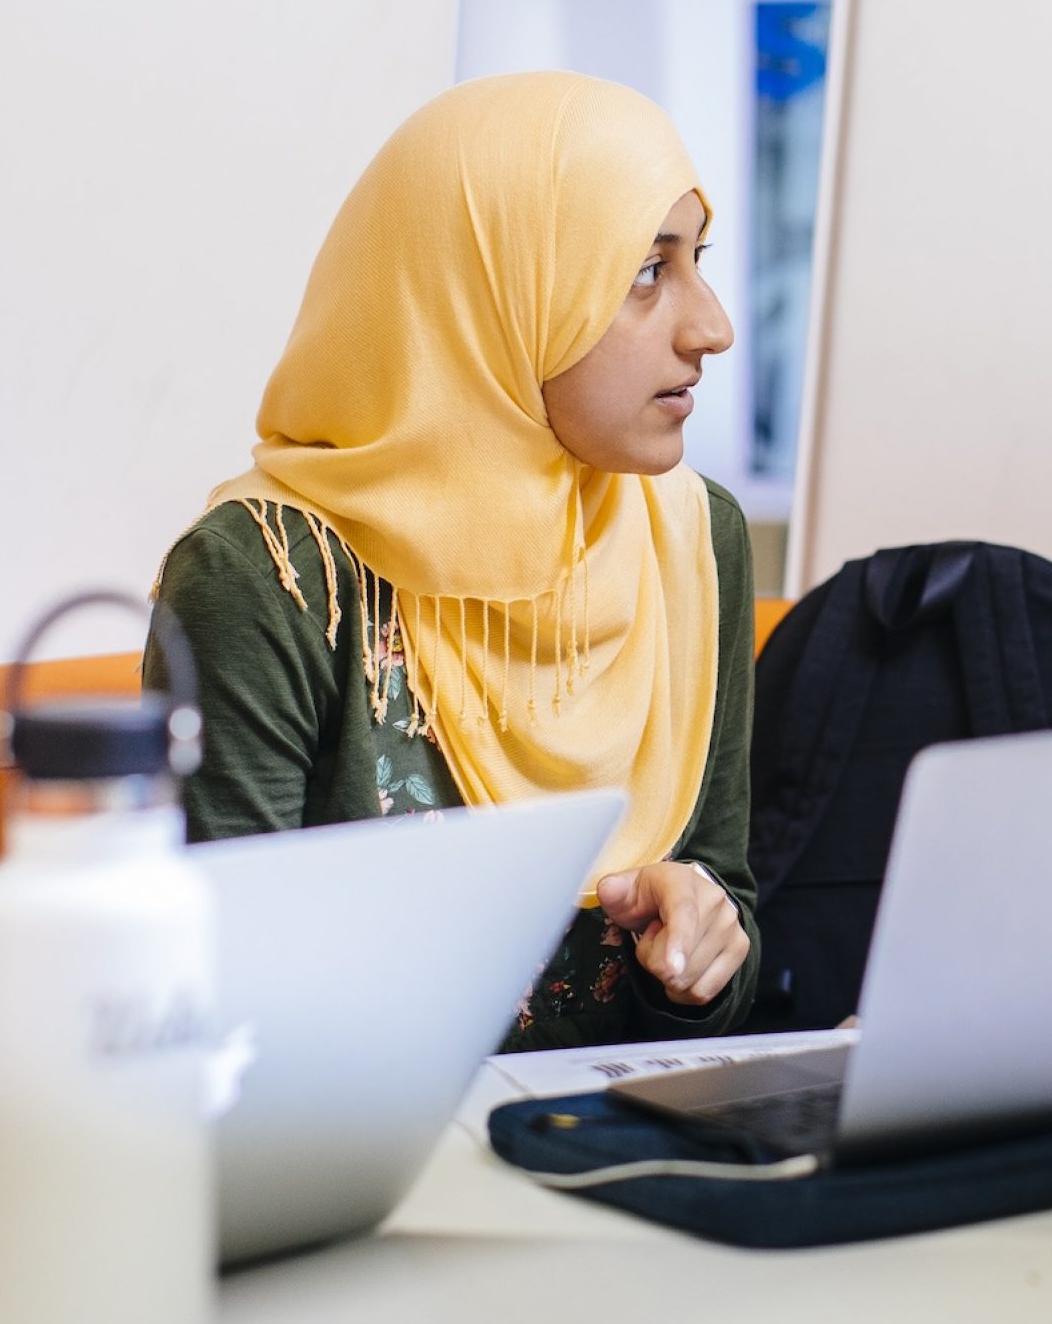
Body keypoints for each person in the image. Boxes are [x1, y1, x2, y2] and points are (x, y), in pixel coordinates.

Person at [148, 72, 758, 1049]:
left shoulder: (692, 540)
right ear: (494, 295)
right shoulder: (268, 573)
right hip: (360, 1172)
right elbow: (217, 998)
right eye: (646, 271)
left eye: (698, 260)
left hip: (623, 1149)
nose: (711, 325)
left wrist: (699, 959)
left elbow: (727, 912)